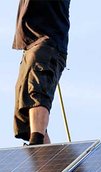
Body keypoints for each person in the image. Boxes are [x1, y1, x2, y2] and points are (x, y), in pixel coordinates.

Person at [13, 0, 70, 145]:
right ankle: (45, 159)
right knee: (25, 106)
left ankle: (37, 142)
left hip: (46, 44)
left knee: (36, 93)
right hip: (30, 46)